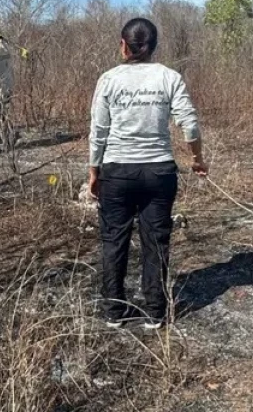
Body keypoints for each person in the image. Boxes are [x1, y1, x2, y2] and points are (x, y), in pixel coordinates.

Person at [88, 18, 207, 330]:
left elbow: (98, 130)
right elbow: (190, 124)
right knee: (156, 241)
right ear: (153, 47)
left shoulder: (108, 79)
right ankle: (155, 311)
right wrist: (197, 159)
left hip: (117, 172)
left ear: (124, 45)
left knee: (114, 240)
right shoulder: (169, 77)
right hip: (159, 172)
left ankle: (115, 310)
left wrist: (93, 173)